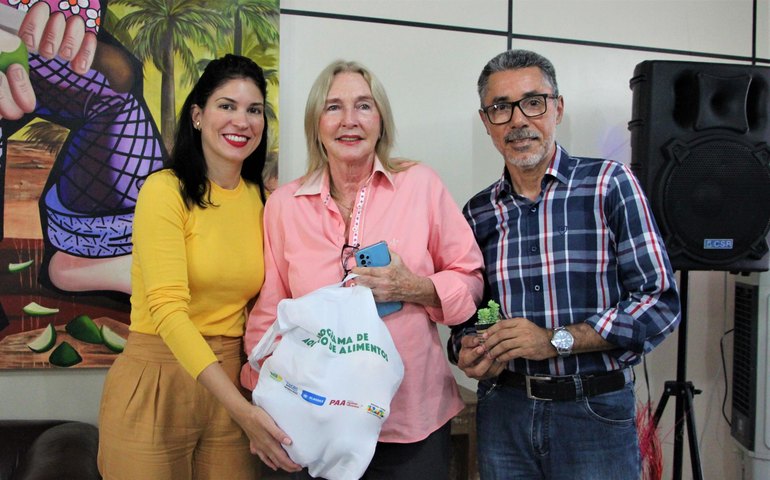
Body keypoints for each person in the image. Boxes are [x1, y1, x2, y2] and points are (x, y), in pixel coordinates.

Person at [240, 59, 485, 479]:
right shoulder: (284, 204)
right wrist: (260, 402)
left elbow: (471, 279)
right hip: (311, 422)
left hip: (409, 421)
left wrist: (416, 287)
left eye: (364, 106)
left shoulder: (421, 185)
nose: (349, 121)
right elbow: (270, 312)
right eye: (334, 107)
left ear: (381, 120)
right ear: (316, 122)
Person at [449, 49, 681, 480]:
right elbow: (474, 311)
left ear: (557, 107)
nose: (518, 120)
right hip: (504, 411)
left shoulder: (610, 184)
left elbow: (659, 304)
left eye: (533, 102)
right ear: (486, 122)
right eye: (501, 108)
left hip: (593, 413)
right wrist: (468, 346)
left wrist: (556, 340)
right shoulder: (478, 212)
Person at [97, 54, 270, 480]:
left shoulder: (262, 199)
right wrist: (243, 411)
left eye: (254, 110)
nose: (241, 121)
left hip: (232, 380)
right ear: (197, 115)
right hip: (157, 380)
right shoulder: (164, 191)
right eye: (226, 106)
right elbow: (168, 310)